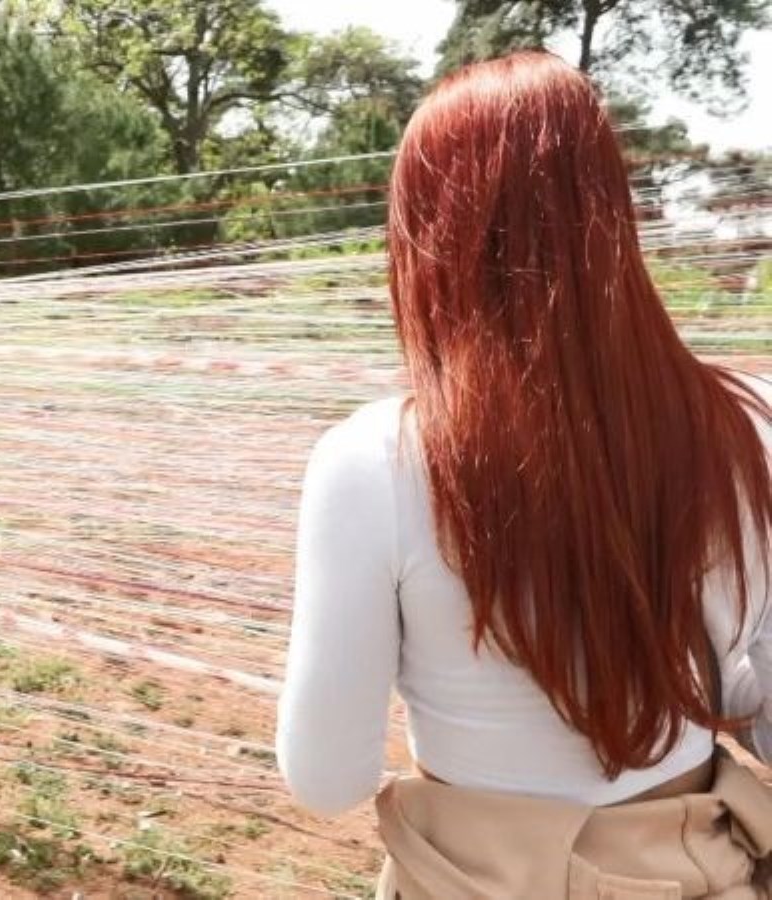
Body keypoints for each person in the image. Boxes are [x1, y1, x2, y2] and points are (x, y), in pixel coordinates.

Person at [276, 51, 772, 896]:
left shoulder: (371, 463)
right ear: (611, 211)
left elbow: (327, 779)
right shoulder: (752, 427)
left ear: (429, 238)